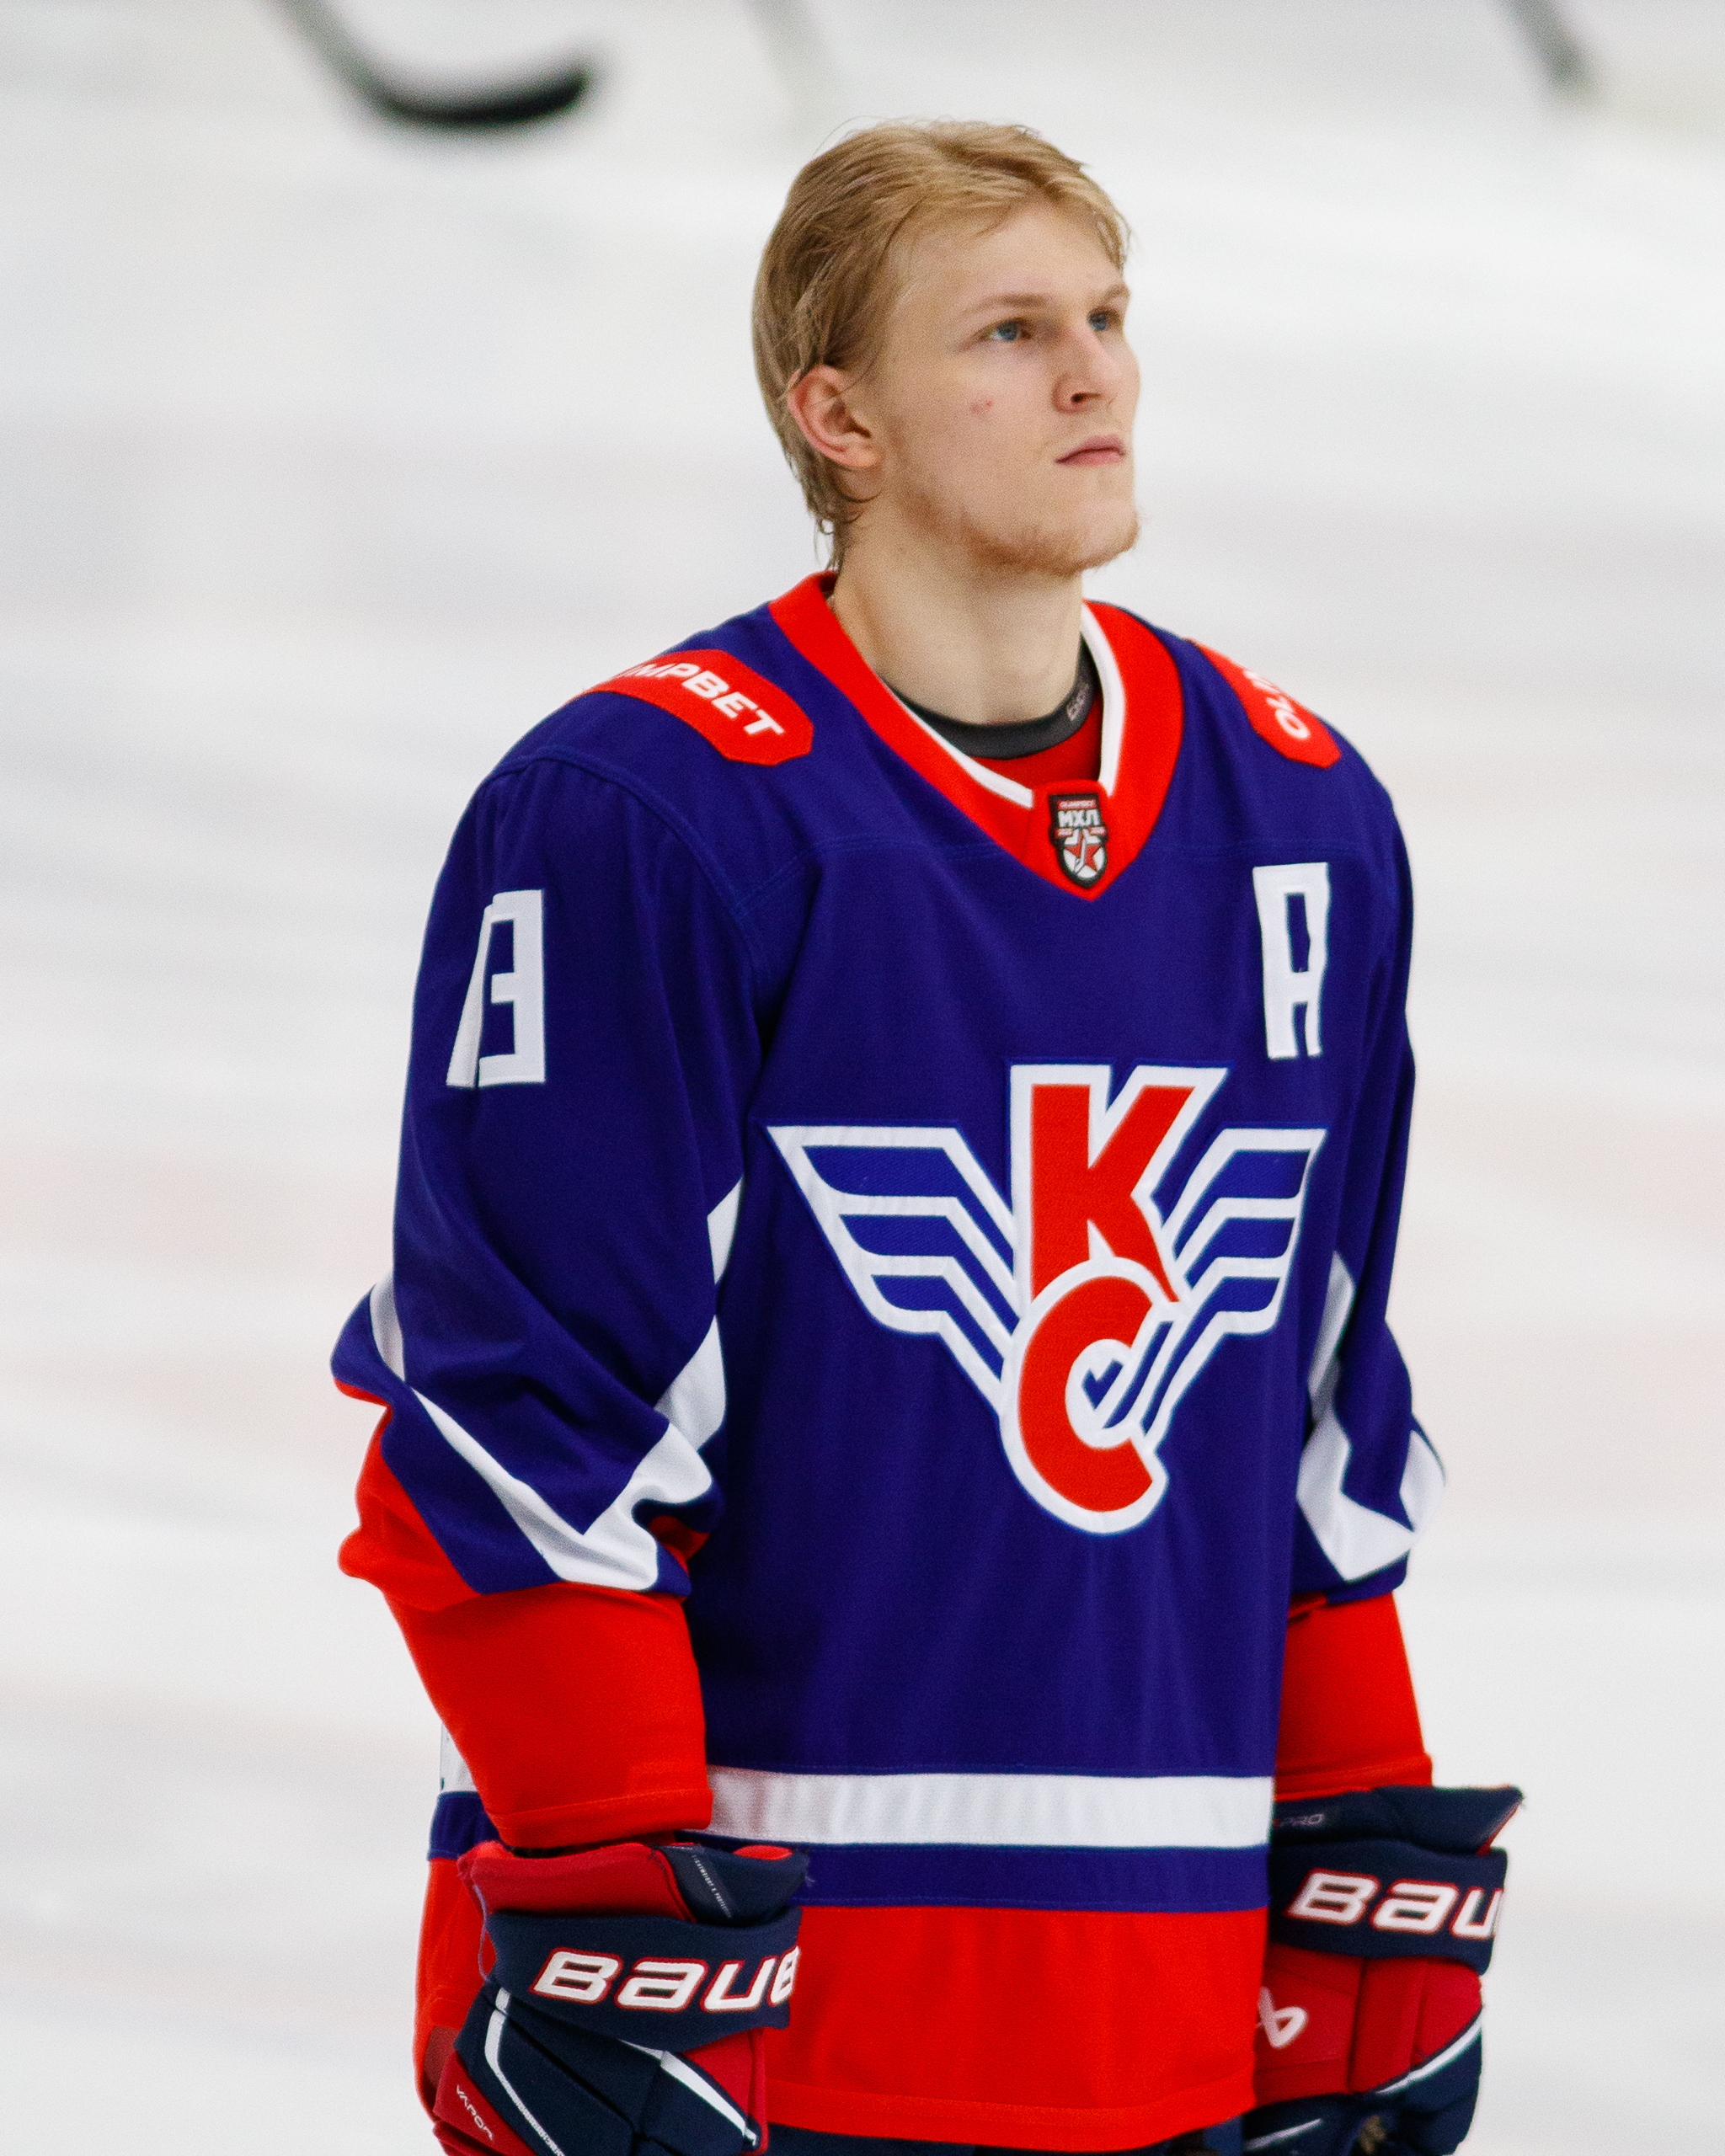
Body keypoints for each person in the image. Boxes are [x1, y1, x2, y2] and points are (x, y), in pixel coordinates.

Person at [334, 120, 1516, 2156]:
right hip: (779, 2012)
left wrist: (1353, 1857)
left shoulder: (1300, 816)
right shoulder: (648, 813)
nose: (1093, 375)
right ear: (840, 417)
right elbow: (523, 1431)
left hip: (1169, 2017)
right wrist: (626, 1898)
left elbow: (1311, 1416)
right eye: (1009, 331)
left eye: (1108, 318)